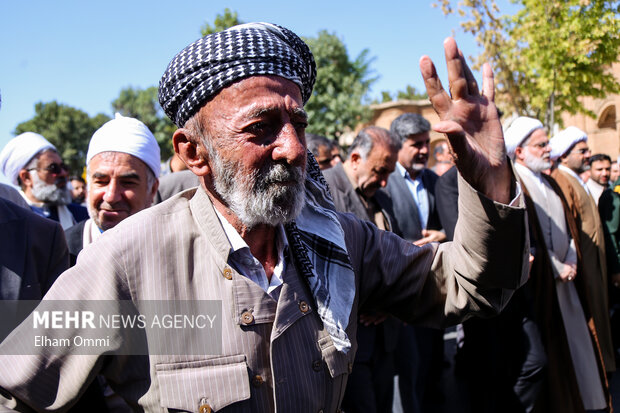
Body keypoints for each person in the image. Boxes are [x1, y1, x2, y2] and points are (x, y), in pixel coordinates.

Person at [0, 23, 528, 412]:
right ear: (193, 151)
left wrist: (490, 182)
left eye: (298, 123)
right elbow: (17, 395)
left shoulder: (339, 241)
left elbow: (473, 286)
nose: (295, 149)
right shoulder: (125, 261)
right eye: (263, 128)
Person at [507, 116, 609, 412]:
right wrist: (555, 266)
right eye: (541, 145)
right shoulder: (516, 184)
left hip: (567, 277)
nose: (548, 149)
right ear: (521, 151)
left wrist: (572, 257)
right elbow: (528, 238)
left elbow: (570, 228)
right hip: (544, 284)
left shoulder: (548, 181)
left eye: (547, 143)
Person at [322, 126, 402, 413]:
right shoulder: (322, 191)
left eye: (389, 173)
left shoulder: (382, 197)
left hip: (383, 337)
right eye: (380, 171)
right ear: (355, 158)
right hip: (347, 340)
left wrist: (389, 303)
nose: (384, 182)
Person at [383, 112, 446, 412]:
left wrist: (443, 234)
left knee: (432, 365)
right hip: (400, 293)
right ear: (397, 145)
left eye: (426, 143)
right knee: (407, 371)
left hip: (433, 290)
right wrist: (406, 248)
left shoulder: (434, 180)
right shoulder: (384, 181)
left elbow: (450, 224)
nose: (424, 150)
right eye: (416, 144)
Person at [549, 126, 617, 377]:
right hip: (583, 268)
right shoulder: (562, 180)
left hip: (595, 265)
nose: (588, 154)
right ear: (565, 156)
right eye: (582, 151)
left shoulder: (577, 179)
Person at [64, 114, 160, 266]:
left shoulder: (176, 249)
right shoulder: (62, 252)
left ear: (153, 189)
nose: (111, 196)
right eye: (101, 182)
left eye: (127, 182)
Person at [0, 133, 88, 229]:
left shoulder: (82, 217)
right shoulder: (8, 219)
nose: (63, 173)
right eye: (53, 168)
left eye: (64, 167)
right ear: (26, 178)